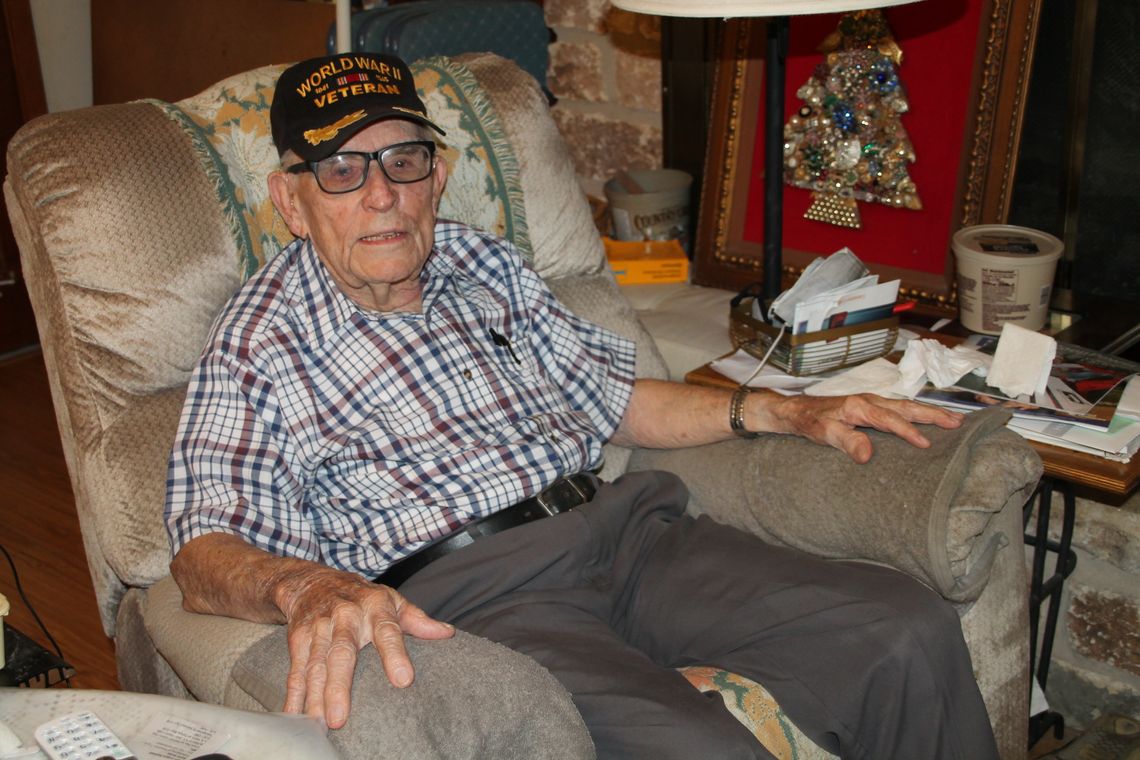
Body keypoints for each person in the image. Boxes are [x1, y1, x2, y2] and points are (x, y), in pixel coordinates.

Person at [165, 53, 998, 760]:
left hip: (628, 534)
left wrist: (780, 410)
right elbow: (200, 553)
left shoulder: (482, 262)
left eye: (402, 161)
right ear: (290, 200)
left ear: (437, 174)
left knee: (904, 629)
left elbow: (614, 402)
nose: (380, 195)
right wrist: (304, 588)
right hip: (481, 601)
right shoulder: (259, 341)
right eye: (341, 170)